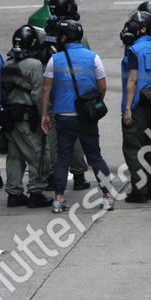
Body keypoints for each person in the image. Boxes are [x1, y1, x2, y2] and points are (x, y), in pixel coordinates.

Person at [38, 20, 113, 212]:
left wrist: (45, 114)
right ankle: (107, 195)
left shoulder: (55, 59)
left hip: (63, 115)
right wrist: (94, 104)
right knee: (95, 157)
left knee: (63, 157)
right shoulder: (93, 57)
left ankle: (58, 198)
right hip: (86, 116)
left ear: (63, 37)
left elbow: (46, 89)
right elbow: (102, 86)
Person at [0, 25, 48, 208]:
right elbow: (38, 95)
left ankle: (14, 193)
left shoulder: (7, 63)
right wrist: (44, 115)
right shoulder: (34, 65)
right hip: (28, 118)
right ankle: (36, 192)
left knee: (15, 155)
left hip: (10, 118)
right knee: (39, 153)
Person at [119, 9, 151, 202]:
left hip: (137, 105)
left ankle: (140, 191)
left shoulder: (135, 50)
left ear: (143, 28)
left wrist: (127, 108)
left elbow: (132, 80)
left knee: (133, 148)